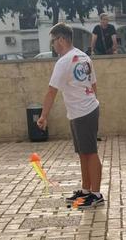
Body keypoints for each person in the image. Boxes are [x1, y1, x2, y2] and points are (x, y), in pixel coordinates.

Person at [36, 23, 105, 209]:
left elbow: (51, 91)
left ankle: (96, 194)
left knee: (90, 152)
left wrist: (43, 116)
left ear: (61, 40)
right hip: (82, 111)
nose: (53, 46)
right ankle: (86, 190)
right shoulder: (84, 57)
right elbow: (94, 84)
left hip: (83, 112)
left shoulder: (65, 61)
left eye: (53, 41)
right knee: (83, 152)